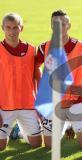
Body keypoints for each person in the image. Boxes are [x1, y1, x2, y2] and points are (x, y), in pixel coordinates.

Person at [35, 9, 82, 148]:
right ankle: (66, 124)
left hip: (76, 102)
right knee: (49, 145)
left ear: (69, 25)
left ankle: (71, 124)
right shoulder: (43, 47)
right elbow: (34, 67)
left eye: (63, 24)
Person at [0, 13, 42, 150]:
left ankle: (17, 131)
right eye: (8, 27)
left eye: (15, 27)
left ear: (21, 28)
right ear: (3, 28)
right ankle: (13, 129)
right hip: (4, 106)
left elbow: (37, 73)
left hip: (27, 104)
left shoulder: (31, 49)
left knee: (36, 144)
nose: (12, 31)